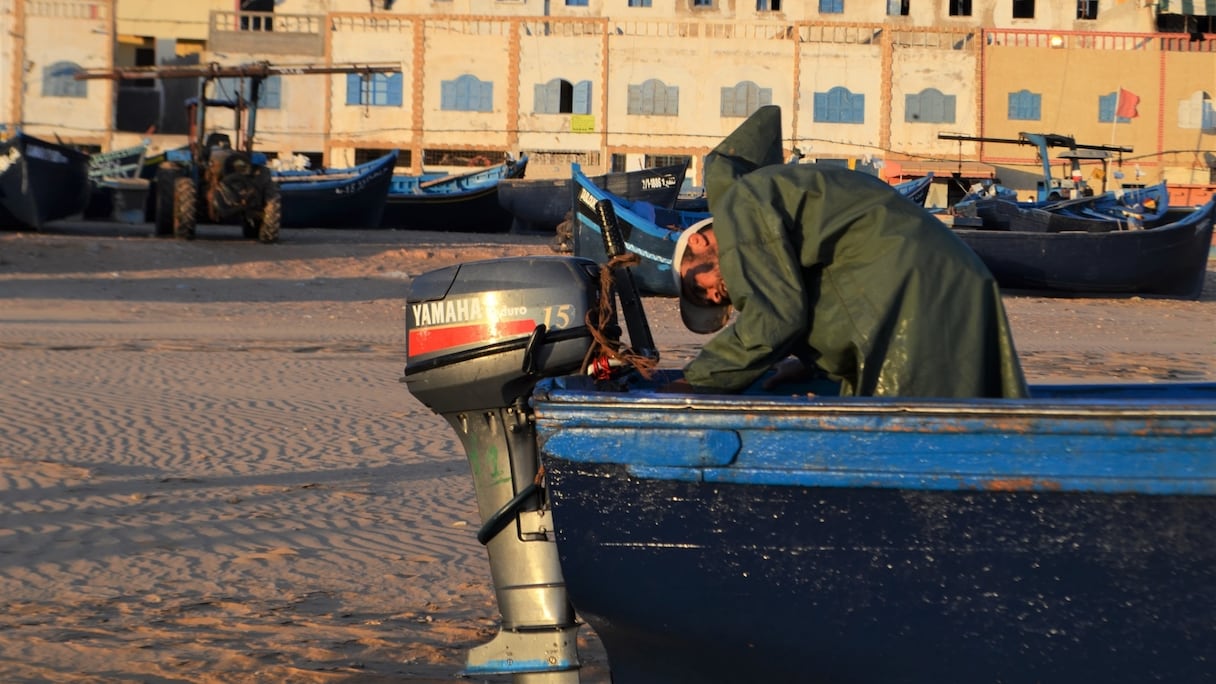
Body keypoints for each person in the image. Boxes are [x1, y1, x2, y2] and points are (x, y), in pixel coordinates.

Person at [663, 105, 1027, 398]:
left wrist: (697, 382)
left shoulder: (741, 207)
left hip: (914, 296)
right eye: (711, 302)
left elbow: (775, 318)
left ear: (699, 242)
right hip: (948, 281)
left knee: (916, 437)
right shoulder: (776, 196)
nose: (714, 295)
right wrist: (812, 365)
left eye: (699, 286)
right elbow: (830, 287)